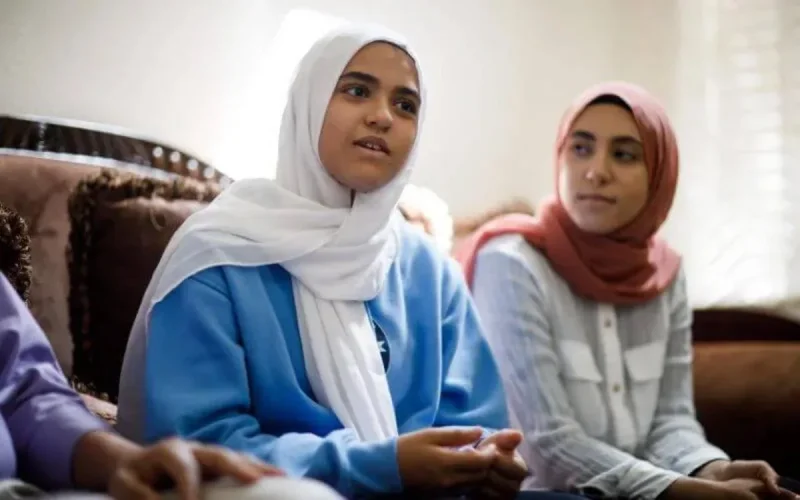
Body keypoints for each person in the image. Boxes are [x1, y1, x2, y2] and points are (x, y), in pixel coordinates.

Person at [114, 23, 583, 500]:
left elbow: (476, 425)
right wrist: (385, 465)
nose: (382, 117)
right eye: (357, 91)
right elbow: (202, 445)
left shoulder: (428, 271)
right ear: (309, 105)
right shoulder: (219, 255)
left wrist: (485, 462)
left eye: (405, 105)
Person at [456, 82, 799, 500]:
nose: (596, 171)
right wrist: (675, 489)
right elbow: (545, 445)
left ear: (659, 172)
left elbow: (671, 421)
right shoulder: (511, 263)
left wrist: (713, 467)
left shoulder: (666, 274)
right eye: (580, 149)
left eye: (623, 154)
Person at [0, 271, 344, 500]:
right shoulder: (213, 267)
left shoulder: (397, 258)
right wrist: (388, 461)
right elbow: (214, 429)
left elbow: (24, 393)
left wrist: (122, 460)